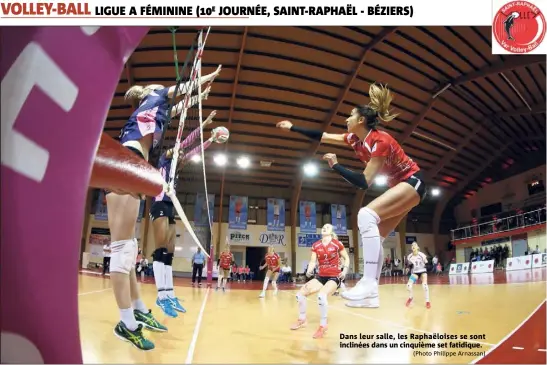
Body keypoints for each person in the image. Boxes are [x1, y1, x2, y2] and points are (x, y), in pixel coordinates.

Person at [276, 83, 427, 309]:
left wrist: (336, 165)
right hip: (403, 187)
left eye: (350, 116)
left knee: (366, 215)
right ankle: (371, 296)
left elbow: (364, 182)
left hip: (413, 183)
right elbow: (323, 136)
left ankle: (367, 283)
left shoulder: (380, 141)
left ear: (360, 121)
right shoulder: (354, 139)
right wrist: (293, 128)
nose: (346, 119)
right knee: (378, 235)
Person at [150, 110, 217, 317]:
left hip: (171, 206)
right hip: (159, 202)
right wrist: (204, 122)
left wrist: (211, 138)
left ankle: (169, 294)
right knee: (160, 249)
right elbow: (185, 142)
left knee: (170, 251)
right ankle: (161, 296)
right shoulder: (163, 159)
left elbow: (194, 151)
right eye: (177, 151)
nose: (180, 153)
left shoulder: (177, 167)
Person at [291, 224, 350, 338]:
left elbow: (346, 258)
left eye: (327, 227)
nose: (324, 227)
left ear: (331, 231)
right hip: (321, 276)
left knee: (321, 296)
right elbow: (313, 261)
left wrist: (345, 270)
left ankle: (323, 326)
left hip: (334, 276)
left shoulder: (337, 244)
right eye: (323, 227)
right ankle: (302, 319)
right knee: (300, 294)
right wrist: (309, 270)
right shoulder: (316, 245)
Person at [406, 242, 431, 308]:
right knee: (408, 285)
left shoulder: (422, 255)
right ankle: (411, 298)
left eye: (415, 245)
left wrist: (427, 267)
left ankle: (427, 301)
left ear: (417, 247)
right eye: (412, 245)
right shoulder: (409, 257)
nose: (413, 246)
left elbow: (427, 264)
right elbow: (409, 265)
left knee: (425, 286)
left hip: (423, 271)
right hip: (415, 272)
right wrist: (408, 268)